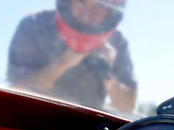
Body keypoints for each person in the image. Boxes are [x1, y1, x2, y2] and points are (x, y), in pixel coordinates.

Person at [7, 0, 137, 114]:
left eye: (99, 6)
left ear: (111, 12)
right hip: (33, 119)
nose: (87, 17)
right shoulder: (35, 24)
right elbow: (16, 92)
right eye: (80, 1)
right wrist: (63, 62)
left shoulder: (117, 41)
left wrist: (108, 74)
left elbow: (127, 107)